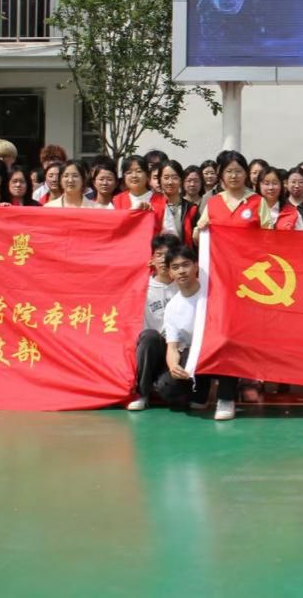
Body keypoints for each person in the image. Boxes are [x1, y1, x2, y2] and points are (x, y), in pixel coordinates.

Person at [159, 245, 239, 421]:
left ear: (196, 265)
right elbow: (172, 347)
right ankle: (201, 393)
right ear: (170, 273)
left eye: (185, 265)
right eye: (175, 267)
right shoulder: (172, 307)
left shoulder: (215, 291)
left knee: (228, 343)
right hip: (196, 358)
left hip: (221, 353)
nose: (181, 271)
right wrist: (173, 366)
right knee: (167, 388)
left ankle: (226, 398)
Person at [127, 232, 182, 411]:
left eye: (169, 254)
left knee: (171, 392)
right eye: (159, 254)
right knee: (149, 336)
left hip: (178, 350)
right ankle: (142, 394)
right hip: (151, 348)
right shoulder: (140, 287)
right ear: (151, 258)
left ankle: (160, 384)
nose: (163, 259)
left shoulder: (186, 285)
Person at [196, 151, 274, 230]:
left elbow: (268, 232)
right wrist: (200, 229)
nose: (233, 176)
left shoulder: (258, 202)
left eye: (238, 171)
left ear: (246, 173)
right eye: (229, 171)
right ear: (222, 175)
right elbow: (198, 233)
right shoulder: (213, 202)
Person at [112, 155, 166, 232]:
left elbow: (170, 231)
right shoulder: (116, 201)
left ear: (147, 175)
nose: (134, 176)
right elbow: (113, 228)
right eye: (129, 172)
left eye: (139, 171)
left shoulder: (162, 201)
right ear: (124, 177)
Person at [158, 160, 199, 245]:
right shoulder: (153, 207)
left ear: (181, 180)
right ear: (160, 180)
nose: (170, 182)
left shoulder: (191, 209)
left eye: (175, 177)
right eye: (166, 178)